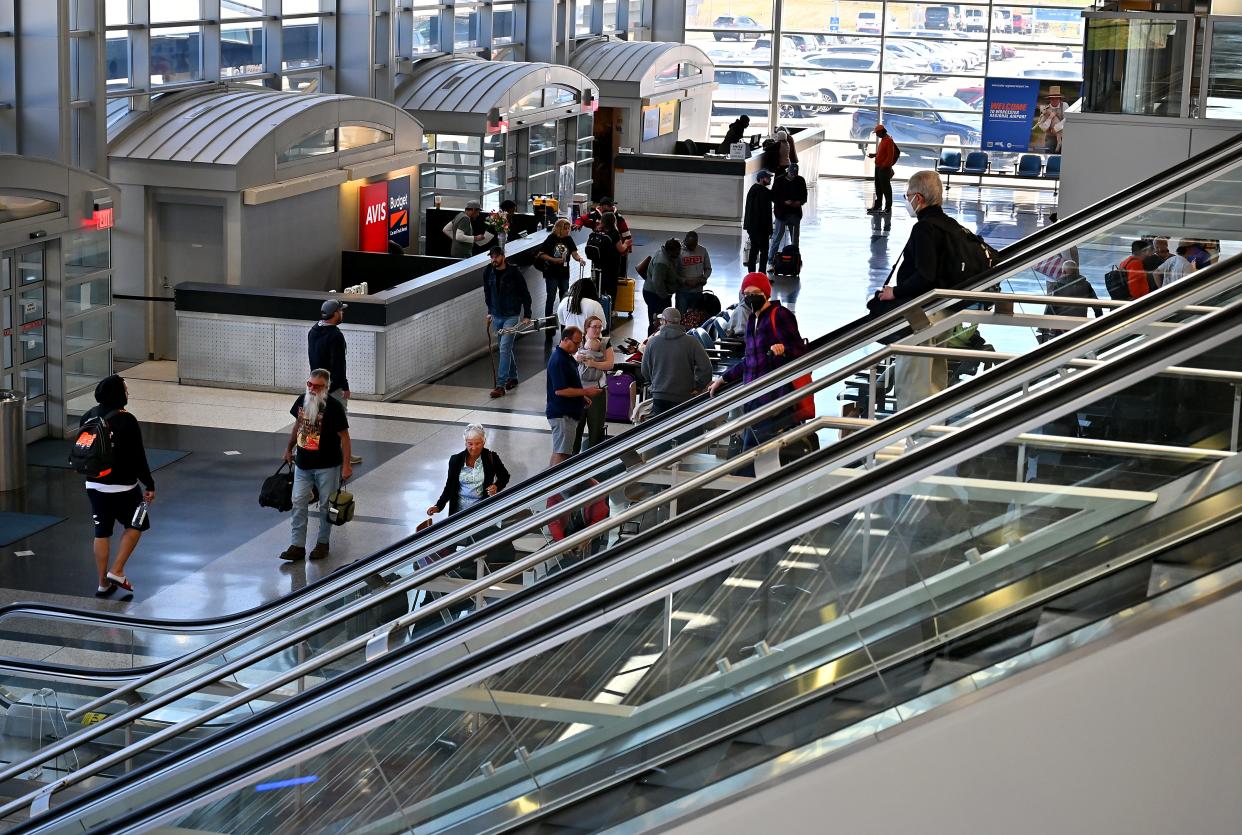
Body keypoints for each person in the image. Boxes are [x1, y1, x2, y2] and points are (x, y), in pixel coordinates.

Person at [871, 171, 957, 410]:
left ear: (918, 198)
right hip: (944, 312)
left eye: (907, 195)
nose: (907, 200)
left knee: (913, 387)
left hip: (922, 317)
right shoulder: (949, 225)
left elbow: (924, 276)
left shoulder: (924, 229)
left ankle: (913, 440)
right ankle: (933, 435)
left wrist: (894, 292)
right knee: (935, 382)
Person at [708, 273, 807, 449]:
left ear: (766, 293)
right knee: (754, 456)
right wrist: (722, 379)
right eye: (746, 294)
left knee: (751, 456)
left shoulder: (780, 315)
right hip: (752, 399)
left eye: (754, 293)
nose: (749, 298)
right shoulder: (752, 320)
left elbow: (800, 351)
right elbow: (750, 361)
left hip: (773, 399)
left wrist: (784, 350)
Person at [81, 374, 155, 597]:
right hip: (123, 487)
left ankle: (103, 583)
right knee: (137, 524)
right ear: (118, 393)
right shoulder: (127, 419)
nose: (128, 393)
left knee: (101, 532)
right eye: (125, 388)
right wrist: (149, 484)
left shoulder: (87, 416)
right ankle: (117, 569)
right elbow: (138, 457)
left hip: (94, 485)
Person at [281, 368, 352, 562]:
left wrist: (346, 465)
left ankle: (322, 542)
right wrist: (289, 448)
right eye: (309, 384)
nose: (312, 389)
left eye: (317, 386)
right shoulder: (301, 401)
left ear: (326, 388)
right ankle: (297, 545)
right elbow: (297, 426)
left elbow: (345, 438)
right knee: (298, 502)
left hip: (327, 465)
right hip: (303, 464)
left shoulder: (335, 408)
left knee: (326, 506)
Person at [308, 298, 361, 464]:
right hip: (332, 386)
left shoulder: (313, 331)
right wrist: (343, 385)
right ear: (335, 314)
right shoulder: (335, 335)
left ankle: (305, 450)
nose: (342, 313)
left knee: (313, 417)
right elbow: (338, 365)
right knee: (340, 420)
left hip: (316, 383)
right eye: (341, 311)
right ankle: (342, 455)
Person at [546, 326, 604, 466]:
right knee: (562, 454)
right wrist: (586, 392)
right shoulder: (559, 360)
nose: (578, 347)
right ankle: (552, 486)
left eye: (580, 343)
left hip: (567, 412)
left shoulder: (567, 357)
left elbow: (570, 384)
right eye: (576, 343)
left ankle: (551, 484)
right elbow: (560, 391)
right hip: (562, 414)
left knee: (560, 451)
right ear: (565, 339)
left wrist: (581, 398)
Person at [426, 424, 511, 517]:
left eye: (477, 443)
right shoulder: (456, 460)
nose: (474, 448)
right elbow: (450, 486)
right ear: (465, 443)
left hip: (482, 511)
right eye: (470, 443)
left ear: (484, 442)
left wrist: (496, 486)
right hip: (459, 512)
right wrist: (438, 506)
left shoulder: (491, 457)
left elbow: (504, 476)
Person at [641, 307, 713, 416]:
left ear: (664, 321)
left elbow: (645, 370)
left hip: (659, 395)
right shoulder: (692, 342)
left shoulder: (652, 342)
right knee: (680, 429)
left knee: (659, 429)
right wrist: (698, 387)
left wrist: (656, 383)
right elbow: (706, 368)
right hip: (684, 395)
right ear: (679, 322)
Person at [483, 246, 532, 399]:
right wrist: (490, 311)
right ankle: (513, 376)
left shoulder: (514, 272)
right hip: (497, 315)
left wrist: (527, 314)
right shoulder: (488, 271)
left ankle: (500, 385)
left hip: (511, 314)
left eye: (496, 257)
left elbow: (525, 293)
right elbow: (487, 292)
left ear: (503, 256)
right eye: (492, 257)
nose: (494, 260)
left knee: (504, 348)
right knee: (505, 347)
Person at [1037, 260, 1105, 343]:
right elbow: (1096, 305)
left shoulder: (1058, 285)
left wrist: (1044, 327)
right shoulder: (1086, 285)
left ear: (1063, 271)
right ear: (1077, 271)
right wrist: (1100, 320)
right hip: (1080, 324)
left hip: (1062, 327)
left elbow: (1051, 307)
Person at [573, 315, 614, 451]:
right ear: (586, 328)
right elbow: (567, 357)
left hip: (597, 390)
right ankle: (572, 459)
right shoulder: (578, 341)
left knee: (596, 428)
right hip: (579, 391)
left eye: (599, 327)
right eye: (594, 327)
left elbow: (610, 364)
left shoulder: (605, 343)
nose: (597, 330)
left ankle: (593, 458)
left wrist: (594, 363)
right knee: (576, 428)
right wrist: (576, 357)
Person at [537, 218, 586, 322]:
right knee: (551, 296)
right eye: (565, 229)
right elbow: (541, 254)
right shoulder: (551, 238)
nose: (568, 231)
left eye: (568, 229)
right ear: (559, 229)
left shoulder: (568, 239)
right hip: (551, 273)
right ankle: (548, 318)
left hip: (564, 273)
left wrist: (580, 259)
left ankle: (564, 316)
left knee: (564, 296)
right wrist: (553, 260)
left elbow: (574, 253)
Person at [769, 163, 807, 268]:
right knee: (777, 238)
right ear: (788, 171)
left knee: (795, 239)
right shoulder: (779, 180)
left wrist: (799, 203)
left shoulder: (800, 180)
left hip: (795, 214)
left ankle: (796, 259)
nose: (793, 175)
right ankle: (771, 260)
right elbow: (773, 197)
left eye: (795, 173)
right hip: (781, 214)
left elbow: (804, 197)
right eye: (791, 173)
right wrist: (784, 202)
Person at [643, 238, 683, 326]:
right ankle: (653, 338)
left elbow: (671, 272)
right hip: (655, 295)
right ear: (670, 251)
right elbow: (657, 282)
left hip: (659, 294)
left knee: (662, 320)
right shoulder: (661, 262)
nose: (679, 255)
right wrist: (665, 297)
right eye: (677, 253)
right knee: (657, 322)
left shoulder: (667, 256)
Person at [743, 170, 774, 274]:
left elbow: (749, 211)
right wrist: (769, 230)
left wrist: (748, 227)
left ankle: (751, 274)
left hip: (753, 228)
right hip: (761, 229)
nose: (770, 179)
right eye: (767, 177)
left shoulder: (753, 190)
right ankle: (761, 274)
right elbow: (765, 214)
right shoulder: (763, 191)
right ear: (761, 179)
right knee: (764, 252)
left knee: (754, 250)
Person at [593, 211, 628, 300]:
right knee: (611, 287)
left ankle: (599, 305)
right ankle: (610, 309)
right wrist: (626, 244)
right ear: (613, 221)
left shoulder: (598, 231)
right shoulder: (614, 233)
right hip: (612, 265)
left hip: (599, 263)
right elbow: (621, 248)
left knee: (600, 285)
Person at [677, 231, 712, 312]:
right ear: (685, 241)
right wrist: (684, 281)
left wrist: (704, 278)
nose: (692, 248)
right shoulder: (679, 252)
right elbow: (673, 272)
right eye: (690, 245)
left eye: (694, 245)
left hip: (698, 291)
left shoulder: (702, 250)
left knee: (696, 317)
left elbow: (708, 268)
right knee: (680, 316)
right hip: (682, 292)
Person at [867, 124, 898, 215]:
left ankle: (888, 208)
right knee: (878, 187)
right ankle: (878, 205)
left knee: (886, 188)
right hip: (879, 167)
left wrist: (884, 166)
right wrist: (875, 155)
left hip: (883, 168)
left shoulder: (889, 140)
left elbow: (890, 156)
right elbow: (882, 153)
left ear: (881, 132)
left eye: (877, 133)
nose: (876, 134)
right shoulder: (884, 140)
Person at [1037, 86, 1066, 153]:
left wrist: (1056, 128)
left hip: (1064, 135)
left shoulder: (1064, 105)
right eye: (1053, 98)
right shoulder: (1045, 109)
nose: (1055, 100)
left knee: (1064, 155)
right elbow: (1043, 128)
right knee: (1049, 152)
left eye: (1057, 98)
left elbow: (1067, 119)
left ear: (1060, 98)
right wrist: (1050, 118)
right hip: (1050, 136)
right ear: (1050, 99)